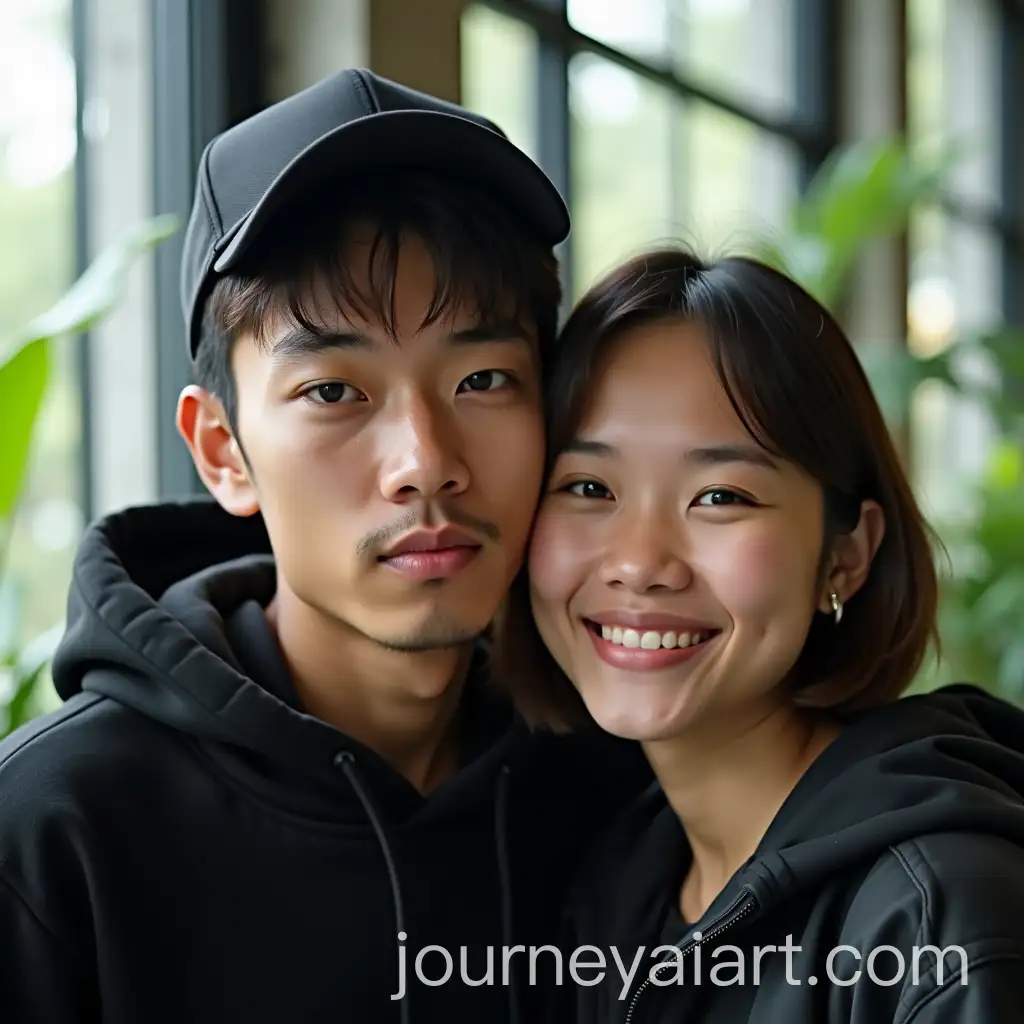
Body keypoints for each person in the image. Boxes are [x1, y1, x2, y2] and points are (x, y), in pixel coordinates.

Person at [0, 69, 650, 1023]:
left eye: (481, 380)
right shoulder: (55, 831)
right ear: (223, 451)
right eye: (334, 392)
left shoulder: (618, 773)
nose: (425, 464)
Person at [511, 245, 1024, 1023]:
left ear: (846, 556)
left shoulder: (937, 919)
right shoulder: (613, 887)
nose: (641, 563)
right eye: (589, 487)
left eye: (719, 496)